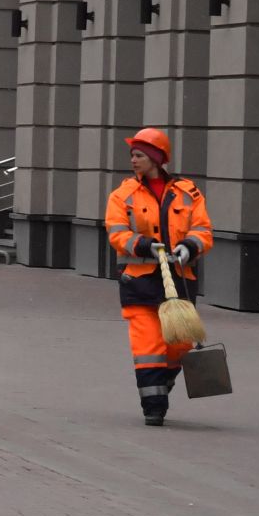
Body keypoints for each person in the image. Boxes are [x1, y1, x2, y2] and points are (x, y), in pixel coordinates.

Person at [106, 128, 213, 426]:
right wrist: (145, 246)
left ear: (156, 158)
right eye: (132, 155)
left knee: (180, 344)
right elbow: (116, 232)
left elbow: (203, 230)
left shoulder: (188, 192)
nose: (134, 160)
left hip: (179, 280)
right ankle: (154, 405)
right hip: (138, 281)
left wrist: (188, 247)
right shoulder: (123, 195)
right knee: (148, 345)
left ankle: (161, 386)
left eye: (139, 155)